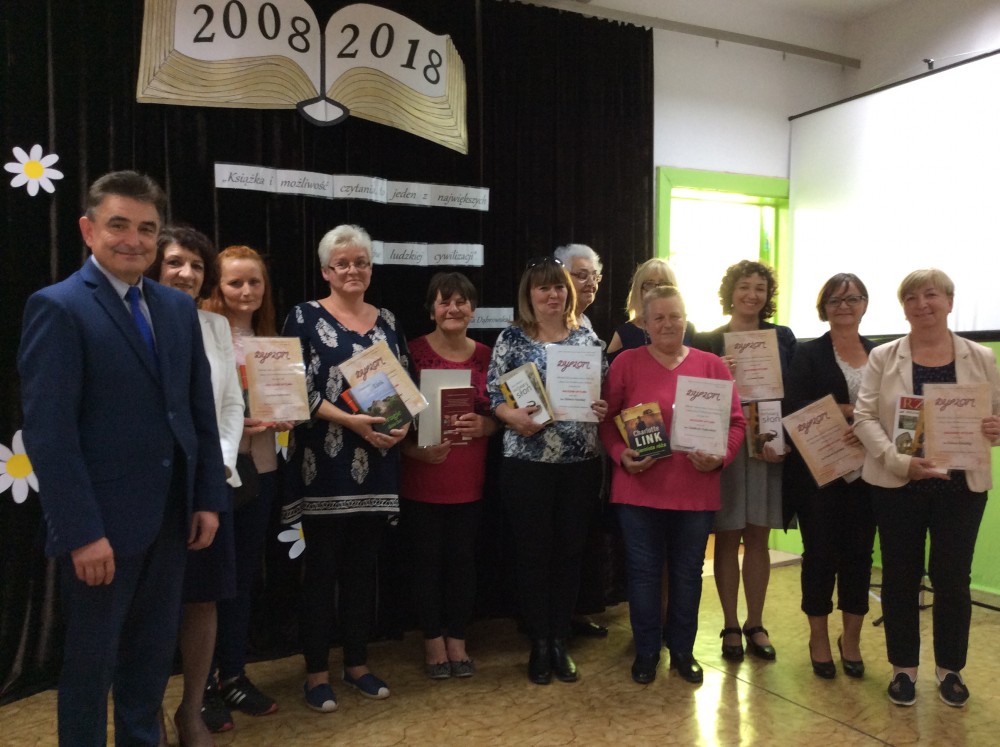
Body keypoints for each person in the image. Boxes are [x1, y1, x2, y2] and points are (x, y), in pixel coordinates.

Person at [17, 170, 227, 745]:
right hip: (101, 531)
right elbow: (50, 433)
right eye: (118, 225)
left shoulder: (177, 309)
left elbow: (197, 413)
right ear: (88, 230)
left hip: (172, 520)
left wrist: (207, 498)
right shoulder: (58, 307)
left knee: (150, 664)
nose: (134, 240)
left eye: (147, 228)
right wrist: (82, 533)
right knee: (91, 668)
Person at [853, 268, 1000, 708]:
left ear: (950, 302)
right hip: (899, 483)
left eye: (931, 295)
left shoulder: (980, 357)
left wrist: (996, 428)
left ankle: (950, 670)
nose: (922, 305)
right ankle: (904, 669)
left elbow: (994, 414)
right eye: (911, 298)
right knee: (900, 576)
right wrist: (900, 461)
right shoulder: (884, 357)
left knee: (952, 579)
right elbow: (864, 418)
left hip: (961, 486)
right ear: (904, 308)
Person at [282, 224, 411, 712]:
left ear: (371, 269)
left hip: (378, 465)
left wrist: (402, 424)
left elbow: (403, 384)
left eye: (361, 262)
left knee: (362, 572)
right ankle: (316, 674)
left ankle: (357, 664)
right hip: (323, 468)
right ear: (326, 271)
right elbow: (294, 388)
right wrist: (352, 422)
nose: (353, 270)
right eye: (343, 264)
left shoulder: (388, 319)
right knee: (321, 574)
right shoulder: (303, 316)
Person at [600, 285, 744, 685]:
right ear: (645, 324)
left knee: (687, 574)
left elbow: (736, 423)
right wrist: (620, 454)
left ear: (686, 320)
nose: (668, 324)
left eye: (675, 316)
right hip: (638, 490)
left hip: (695, 491)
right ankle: (647, 651)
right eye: (659, 317)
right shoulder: (626, 363)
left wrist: (721, 456)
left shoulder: (711, 365)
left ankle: (682, 650)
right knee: (643, 574)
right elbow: (607, 421)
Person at [486, 256, 608, 685]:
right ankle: (539, 642)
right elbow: (493, 395)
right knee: (533, 554)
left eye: (558, 287)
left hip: (579, 465)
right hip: (527, 464)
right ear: (530, 294)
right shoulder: (511, 338)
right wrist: (509, 415)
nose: (553, 294)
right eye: (543, 288)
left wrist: (602, 406)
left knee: (570, 554)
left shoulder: (587, 338)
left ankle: (560, 641)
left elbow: (603, 394)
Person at [147, 226, 244, 744]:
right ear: (154, 265)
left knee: (202, 600)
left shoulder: (215, 326)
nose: (186, 273)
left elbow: (229, 406)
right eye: (175, 262)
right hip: (150, 490)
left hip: (207, 488)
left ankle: (191, 711)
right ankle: (147, 712)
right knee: (147, 606)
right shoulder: (131, 318)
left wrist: (217, 468)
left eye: (197, 266)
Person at [201, 245, 293, 724]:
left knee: (240, 580)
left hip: (262, 470)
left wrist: (287, 416)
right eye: (235, 282)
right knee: (207, 584)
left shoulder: (271, 343)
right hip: (217, 473)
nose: (246, 291)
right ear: (217, 287)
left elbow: (286, 405)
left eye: (254, 282)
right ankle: (201, 688)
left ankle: (232, 677)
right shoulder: (203, 335)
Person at [692, 259, 796, 663]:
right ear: (730, 292)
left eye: (760, 288)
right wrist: (720, 376)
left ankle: (756, 622)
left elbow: (794, 393)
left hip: (768, 445)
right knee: (727, 535)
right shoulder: (708, 341)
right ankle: (730, 624)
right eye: (744, 287)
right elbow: (697, 398)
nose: (752, 295)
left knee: (758, 537)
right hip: (729, 445)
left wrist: (786, 440)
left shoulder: (782, 337)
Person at [399, 272, 497, 679]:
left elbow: (502, 415)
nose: (453, 309)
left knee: (462, 562)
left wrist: (484, 425)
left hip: (469, 478)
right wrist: (413, 451)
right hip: (422, 475)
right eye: (444, 301)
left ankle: (457, 638)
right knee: (426, 563)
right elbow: (392, 417)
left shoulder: (488, 355)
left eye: (461, 302)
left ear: (472, 309)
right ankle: (432, 642)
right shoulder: (411, 353)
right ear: (432, 310)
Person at [782, 274, 876, 680]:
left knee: (859, 556)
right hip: (819, 472)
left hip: (870, 472)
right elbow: (793, 405)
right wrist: (849, 411)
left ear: (865, 304)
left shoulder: (881, 353)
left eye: (853, 298)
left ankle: (850, 639)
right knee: (819, 555)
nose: (844, 306)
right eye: (835, 300)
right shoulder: (808, 353)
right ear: (824, 308)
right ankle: (818, 638)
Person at [554, 243, 610, 638]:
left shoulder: (587, 325)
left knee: (578, 540)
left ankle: (572, 613)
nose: (589, 283)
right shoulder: (545, 323)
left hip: (585, 454)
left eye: (595, 276)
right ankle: (547, 626)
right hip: (543, 455)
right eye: (581, 274)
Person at [607, 258, 694, 357]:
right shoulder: (624, 333)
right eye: (649, 284)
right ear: (638, 291)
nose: (657, 290)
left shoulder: (688, 330)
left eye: (664, 284)